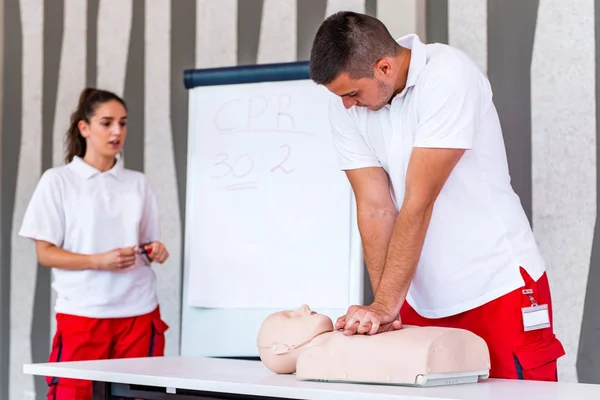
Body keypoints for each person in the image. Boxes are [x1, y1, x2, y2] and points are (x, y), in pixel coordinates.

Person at [308, 11, 565, 381]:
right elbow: (375, 208)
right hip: (417, 299)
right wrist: (388, 309)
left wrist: (382, 305)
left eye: (352, 93)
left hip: (497, 288)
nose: (347, 104)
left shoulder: (448, 75)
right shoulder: (347, 107)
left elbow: (418, 201)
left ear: (383, 68)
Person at [19, 88, 170, 399]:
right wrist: (98, 260)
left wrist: (155, 250)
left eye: (123, 123)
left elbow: (146, 244)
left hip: (139, 314)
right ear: (84, 128)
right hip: (83, 314)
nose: (117, 131)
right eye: (107, 122)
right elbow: (45, 253)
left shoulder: (138, 183)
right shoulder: (57, 181)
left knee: (141, 396)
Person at [256, 304, 491, 386]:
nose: (304, 308)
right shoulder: (314, 359)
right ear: (280, 348)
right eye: (290, 316)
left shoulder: (346, 333)